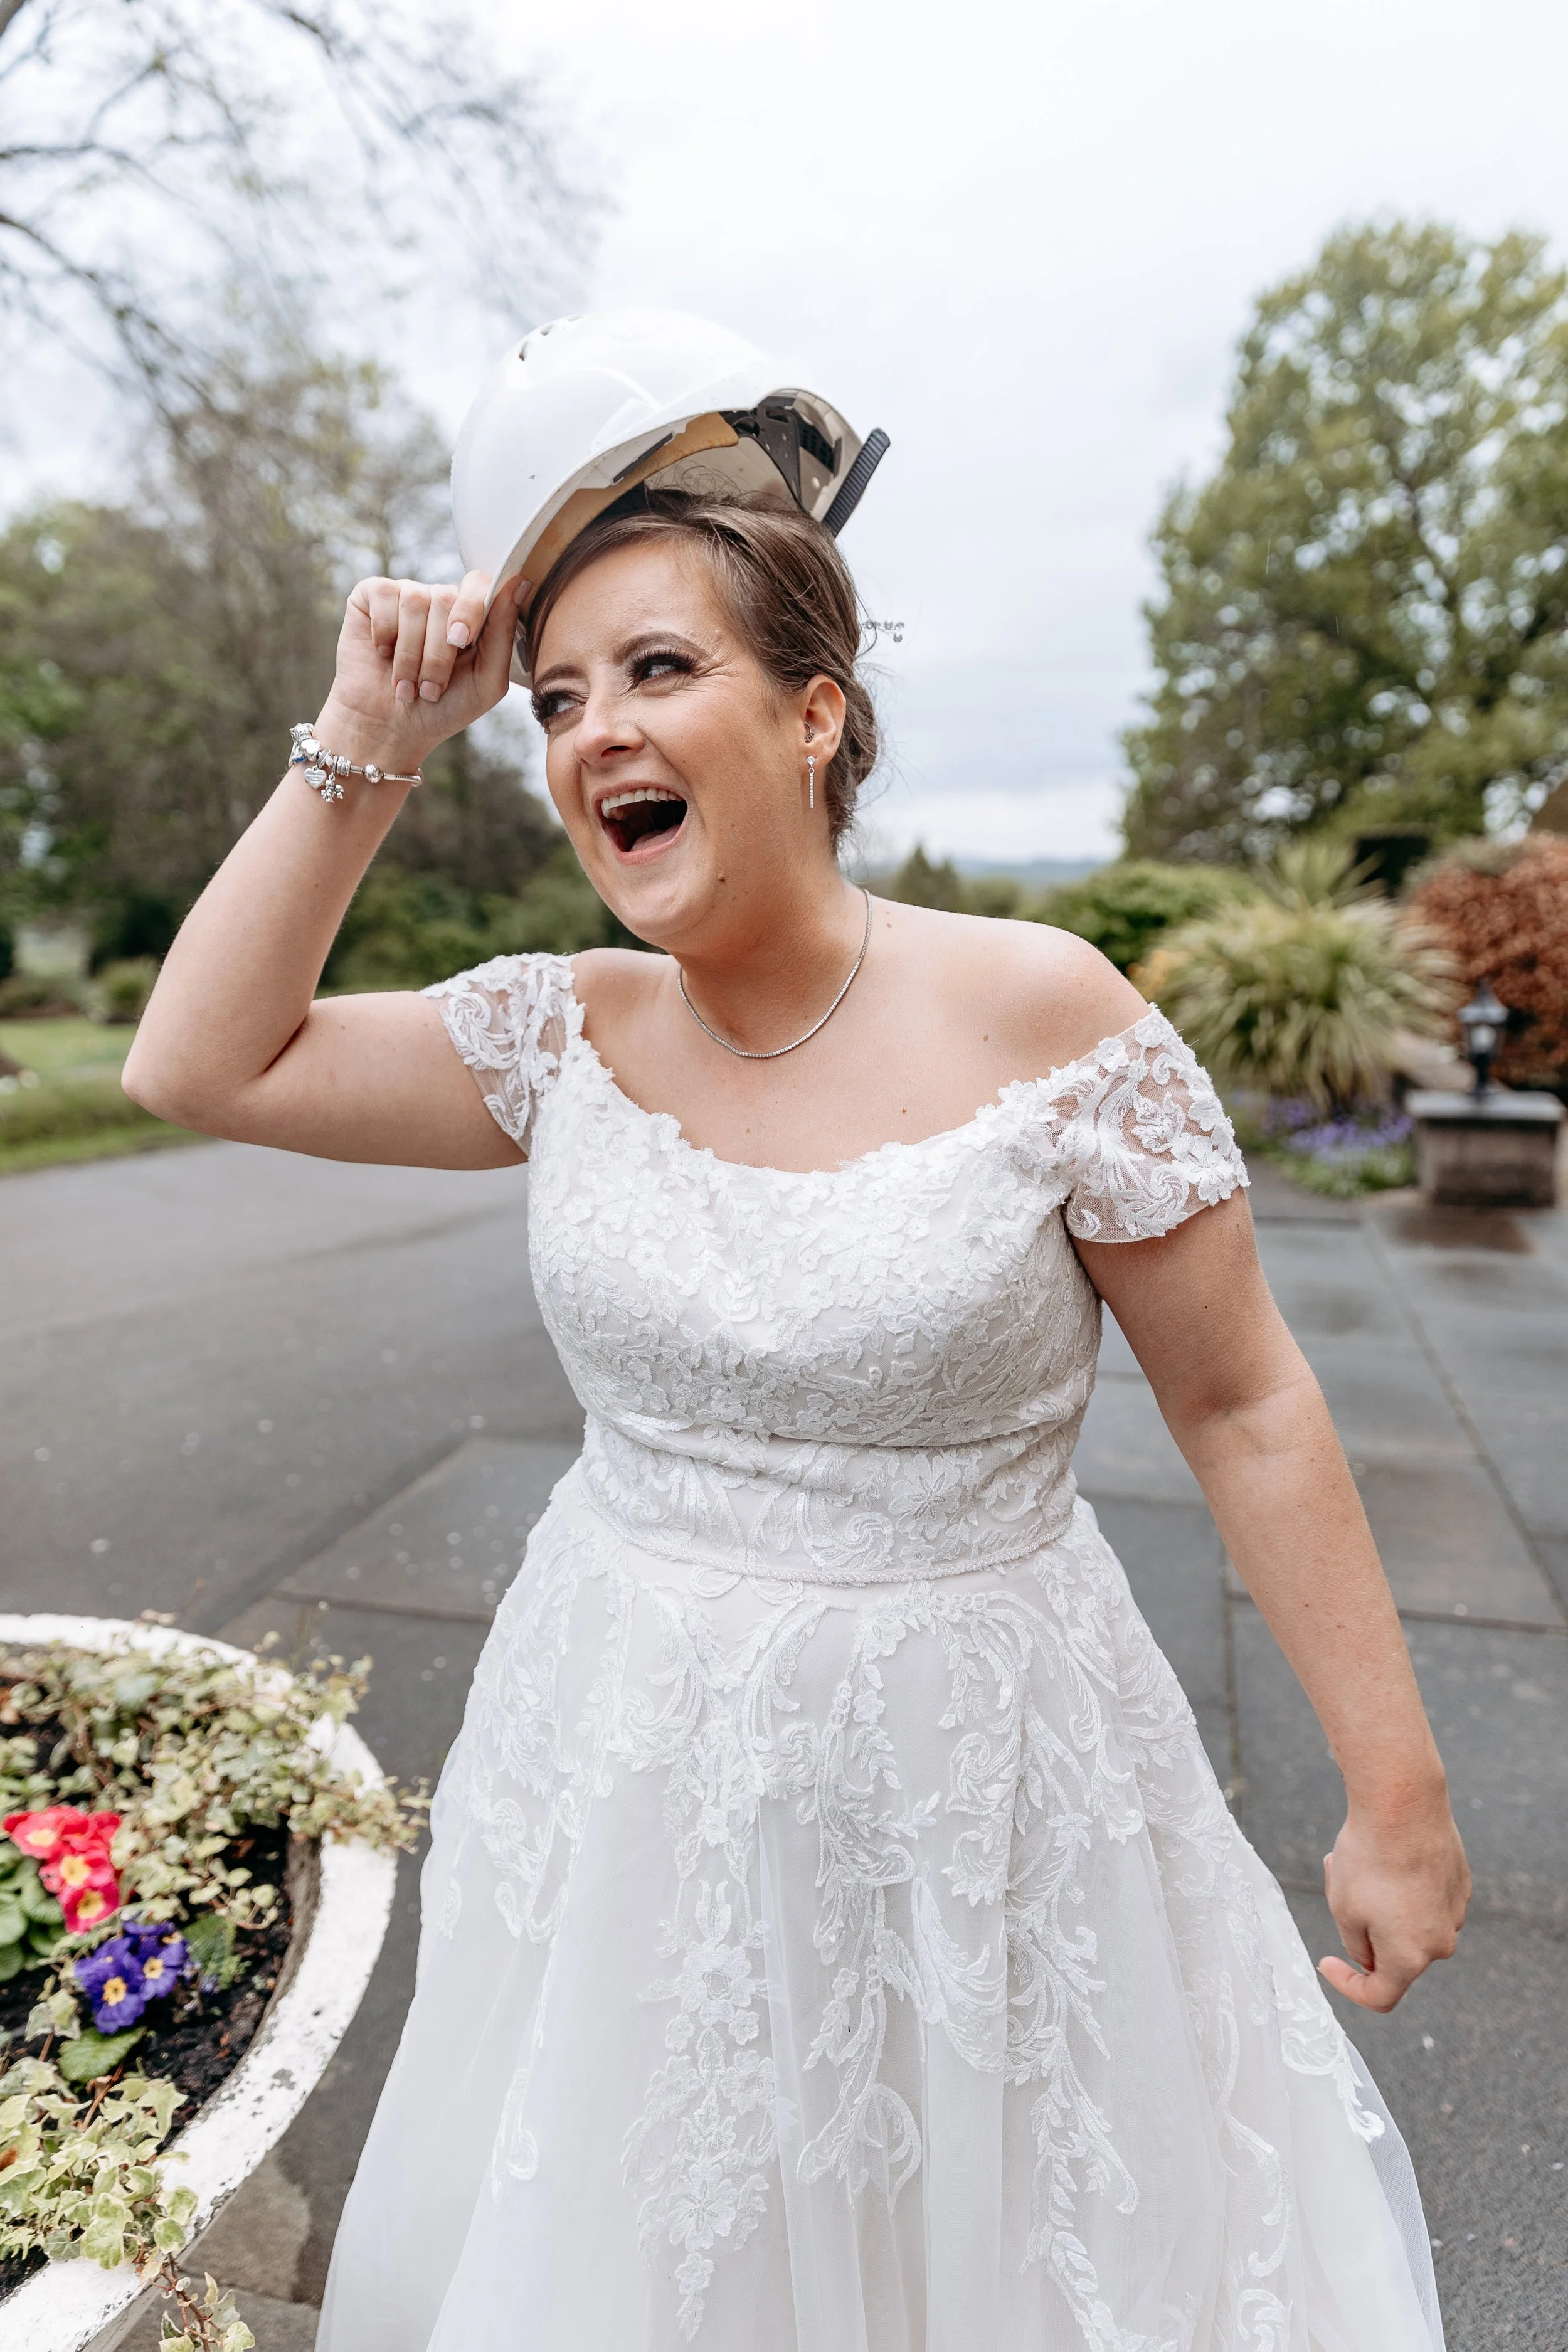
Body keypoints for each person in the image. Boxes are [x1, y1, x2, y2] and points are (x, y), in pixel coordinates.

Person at [125, 315, 1468, 2352]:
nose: (594, 735)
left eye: (659, 672)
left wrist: (1394, 1790)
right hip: (623, 1760)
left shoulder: (1047, 1015)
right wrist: (370, 727)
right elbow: (198, 1057)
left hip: (983, 1785)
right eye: (559, 699)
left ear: (817, 713)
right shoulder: (556, 1031)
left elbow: (1244, 1397)